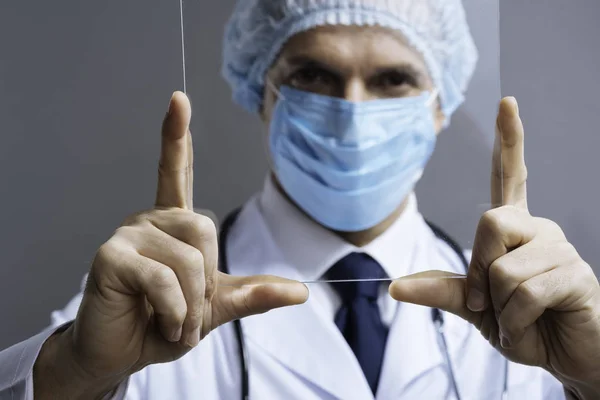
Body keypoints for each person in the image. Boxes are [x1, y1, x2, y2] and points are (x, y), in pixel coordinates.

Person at [2, 0, 600, 399]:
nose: (352, 116)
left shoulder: (531, 312)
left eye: (394, 80)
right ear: (259, 88)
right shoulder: (149, 299)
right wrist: (76, 374)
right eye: (313, 76)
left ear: (440, 101)